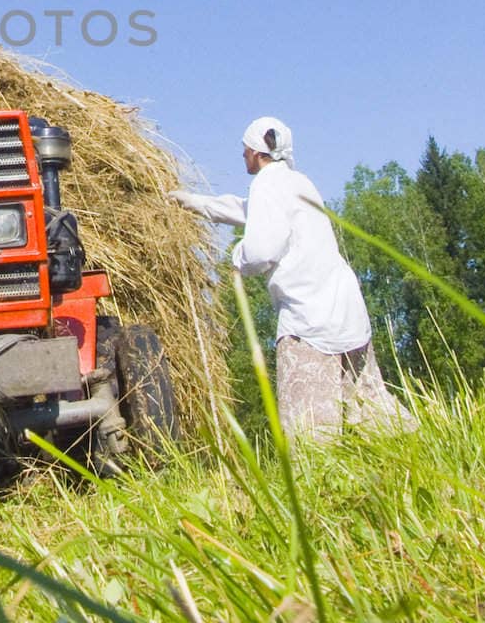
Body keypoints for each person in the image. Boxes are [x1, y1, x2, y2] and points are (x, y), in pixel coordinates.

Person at [170, 116, 411, 440]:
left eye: (244, 148)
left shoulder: (267, 185)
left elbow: (261, 247)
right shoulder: (298, 183)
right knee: (372, 412)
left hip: (308, 321)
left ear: (256, 152)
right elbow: (249, 211)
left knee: (309, 427)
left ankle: (317, 486)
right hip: (346, 309)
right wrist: (195, 202)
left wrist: (237, 259)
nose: (242, 154)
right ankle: (428, 459)